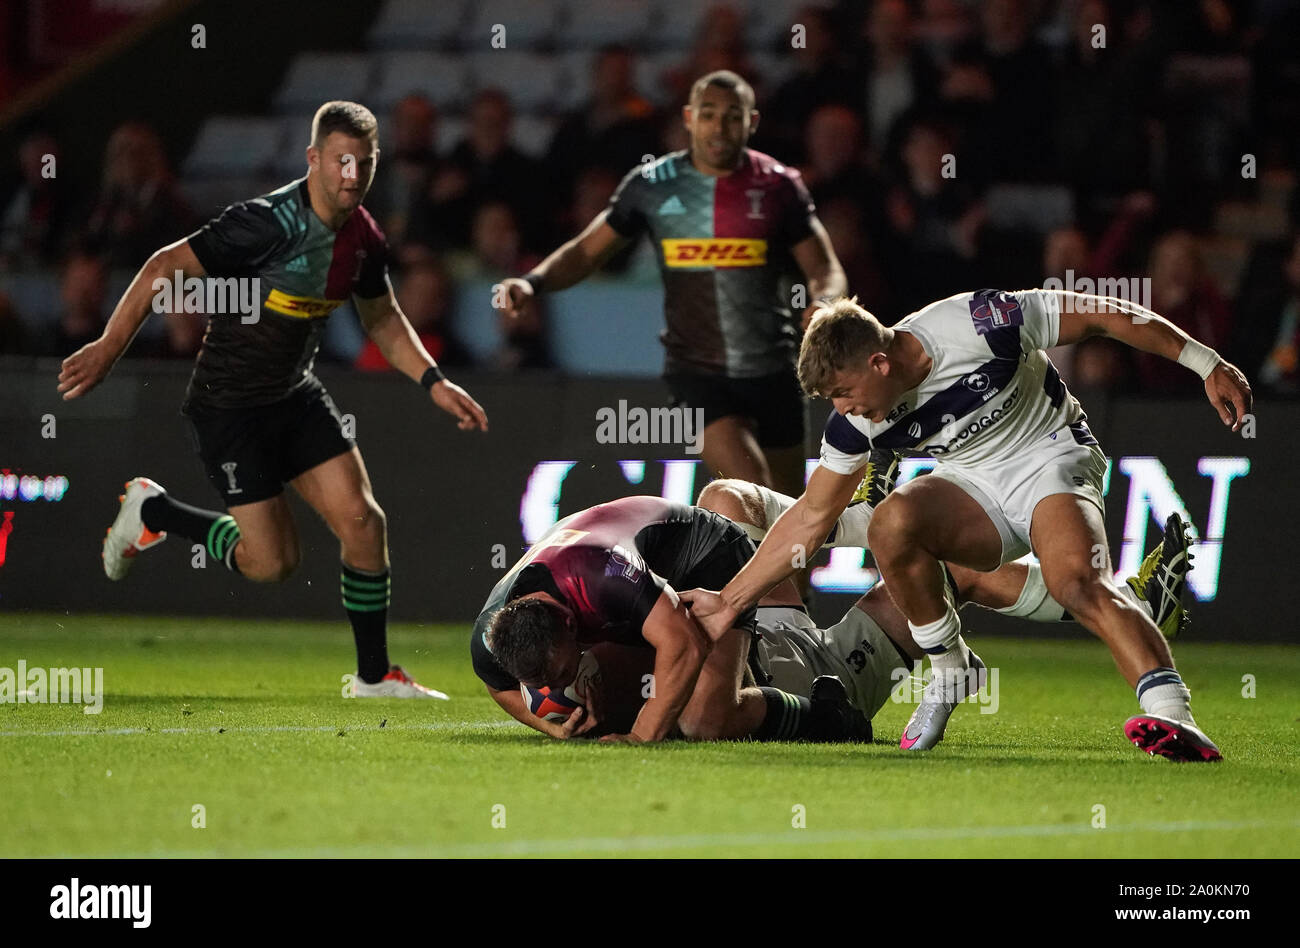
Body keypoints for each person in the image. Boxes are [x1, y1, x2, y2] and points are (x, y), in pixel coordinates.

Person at [683, 288, 1250, 762]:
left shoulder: (979, 324)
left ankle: (1173, 717)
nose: (845, 409)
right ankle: (950, 667)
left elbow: (1102, 314)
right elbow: (810, 517)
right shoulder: (856, 424)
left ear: (880, 362)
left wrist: (1205, 362)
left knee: (1076, 583)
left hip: (1050, 457)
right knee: (890, 522)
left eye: (845, 392)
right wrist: (730, 603)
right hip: (971, 482)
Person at [56, 101, 488, 699]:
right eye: (339, 161)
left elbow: (383, 318)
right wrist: (108, 347)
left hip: (294, 395)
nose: (350, 175)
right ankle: (153, 512)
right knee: (271, 564)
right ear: (313, 159)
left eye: (362, 163)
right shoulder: (266, 224)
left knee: (364, 523)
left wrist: (435, 383)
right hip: (229, 407)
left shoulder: (362, 236)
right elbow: (164, 266)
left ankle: (374, 676)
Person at [483, 475, 1193, 743]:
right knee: (729, 500)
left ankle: (1120, 605)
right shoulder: (501, 634)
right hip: (774, 645)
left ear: (572, 626)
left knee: (703, 717)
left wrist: (638, 739)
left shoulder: (608, 590)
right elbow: (501, 684)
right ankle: (857, 520)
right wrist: (542, 725)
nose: (566, 693)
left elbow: (681, 643)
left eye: (569, 677)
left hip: (778, 656)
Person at [498, 70, 846, 501]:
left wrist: (826, 303)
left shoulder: (778, 186)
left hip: (775, 370)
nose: (719, 128)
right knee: (756, 494)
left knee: (796, 519)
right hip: (696, 375)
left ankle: (779, 570)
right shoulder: (652, 185)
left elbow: (824, 266)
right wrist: (533, 283)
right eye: (709, 115)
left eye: (732, 117)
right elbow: (588, 251)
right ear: (688, 118)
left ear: (752, 122)